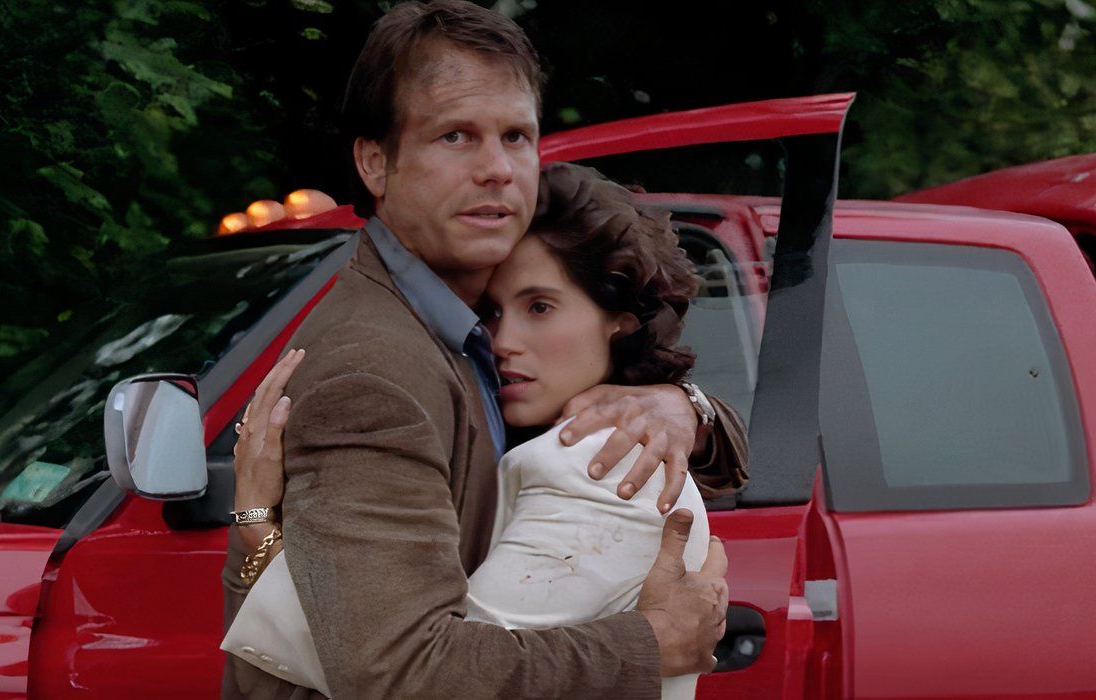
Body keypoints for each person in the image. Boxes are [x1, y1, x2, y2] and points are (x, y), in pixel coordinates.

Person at [220, 2, 746, 697]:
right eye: (456, 136)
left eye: (517, 137)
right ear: (376, 162)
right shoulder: (377, 368)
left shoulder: (460, 330)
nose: (497, 168)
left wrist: (689, 408)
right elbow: (401, 672)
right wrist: (650, 643)